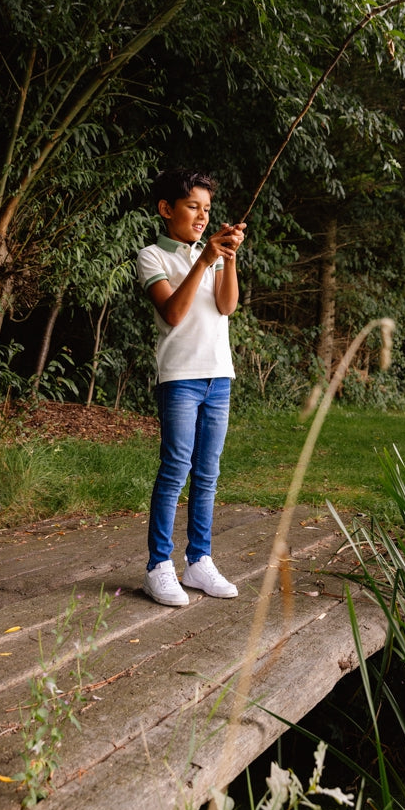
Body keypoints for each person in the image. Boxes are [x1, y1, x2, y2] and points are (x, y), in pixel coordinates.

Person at [136, 168, 246, 606]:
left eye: (207, 209)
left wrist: (229, 258)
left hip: (220, 375)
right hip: (180, 378)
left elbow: (226, 305)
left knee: (208, 474)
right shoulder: (152, 257)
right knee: (175, 469)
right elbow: (174, 314)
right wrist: (203, 261)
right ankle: (158, 566)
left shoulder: (214, 254)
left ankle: (199, 561)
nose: (202, 217)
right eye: (191, 207)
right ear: (166, 210)